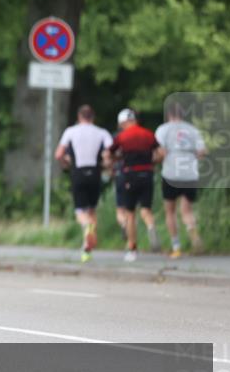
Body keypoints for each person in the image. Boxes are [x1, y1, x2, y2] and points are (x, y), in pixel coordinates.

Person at [54, 105, 113, 262]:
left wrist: (65, 163)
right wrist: (107, 164)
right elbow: (110, 152)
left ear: (79, 116)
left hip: (78, 172)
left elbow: (58, 154)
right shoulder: (101, 132)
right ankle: (86, 248)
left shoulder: (71, 131)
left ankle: (87, 228)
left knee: (80, 210)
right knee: (92, 209)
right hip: (95, 173)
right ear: (93, 117)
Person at [155, 102, 207, 257]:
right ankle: (192, 231)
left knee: (170, 211)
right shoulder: (192, 130)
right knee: (186, 210)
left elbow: (161, 152)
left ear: (169, 114)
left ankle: (176, 247)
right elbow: (202, 152)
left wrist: (157, 160)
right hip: (190, 174)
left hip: (171, 174)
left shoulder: (163, 130)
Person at [110, 108, 161, 262]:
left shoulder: (122, 137)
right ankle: (151, 226)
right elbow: (161, 153)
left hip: (130, 175)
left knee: (130, 214)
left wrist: (117, 159)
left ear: (125, 122)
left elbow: (110, 153)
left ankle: (132, 248)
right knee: (146, 210)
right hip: (147, 174)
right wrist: (152, 163)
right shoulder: (149, 134)